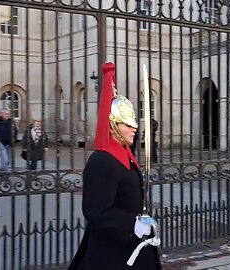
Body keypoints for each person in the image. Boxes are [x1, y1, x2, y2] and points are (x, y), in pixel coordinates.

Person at [68, 62, 162, 270]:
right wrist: (132, 224)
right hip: (111, 253)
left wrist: (140, 220)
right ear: (113, 126)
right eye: (127, 124)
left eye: (134, 123)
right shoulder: (102, 161)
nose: (134, 128)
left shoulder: (126, 156)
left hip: (131, 246)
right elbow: (96, 212)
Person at [0, 108, 17, 172]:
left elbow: (15, 131)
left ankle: (3, 170)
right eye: (6, 114)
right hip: (1, 143)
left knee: (8, 160)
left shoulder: (12, 121)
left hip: (10, 143)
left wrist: (14, 139)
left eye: (8, 114)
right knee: (5, 159)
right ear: (2, 114)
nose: (7, 115)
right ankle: (6, 174)